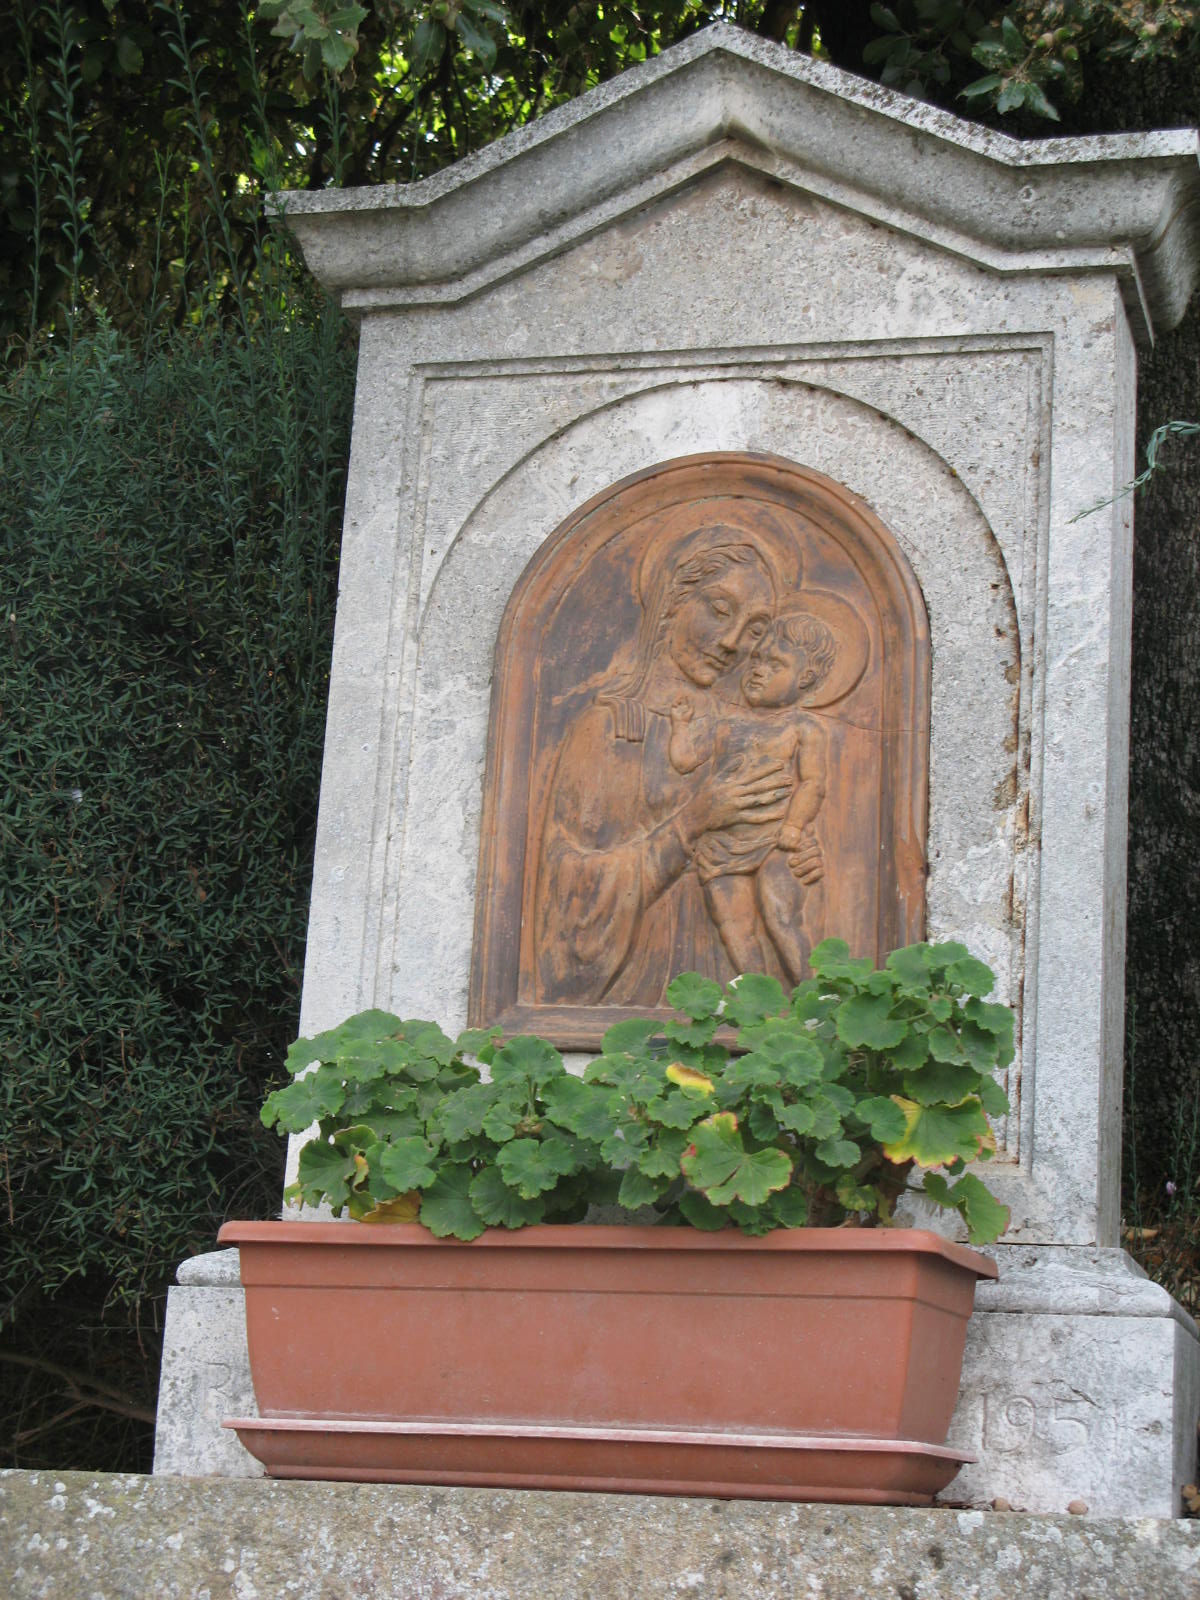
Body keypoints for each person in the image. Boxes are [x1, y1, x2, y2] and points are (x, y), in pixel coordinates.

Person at [534, 522, 799, 1006]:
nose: (732, 642)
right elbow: (570, 896)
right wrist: (694, 821)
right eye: (720, 610)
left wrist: (790, 853)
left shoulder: (743, 732)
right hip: (638, 990)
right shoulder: (610, 728)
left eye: (755, 629)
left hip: (732, 981)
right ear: (671, 602)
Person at [667, 608, 835, 984]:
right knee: (733, 926)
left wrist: (793, 827)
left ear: (805, 678)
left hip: (774, 839)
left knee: (779, 913)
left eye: (775, 664)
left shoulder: (802, 727)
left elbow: (813, 783)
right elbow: (684, 761)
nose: (758, 670)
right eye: (757, 659)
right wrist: (679, 727)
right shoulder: (726, 724)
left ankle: (811, 993)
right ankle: (758, 1001)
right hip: (721, 846)